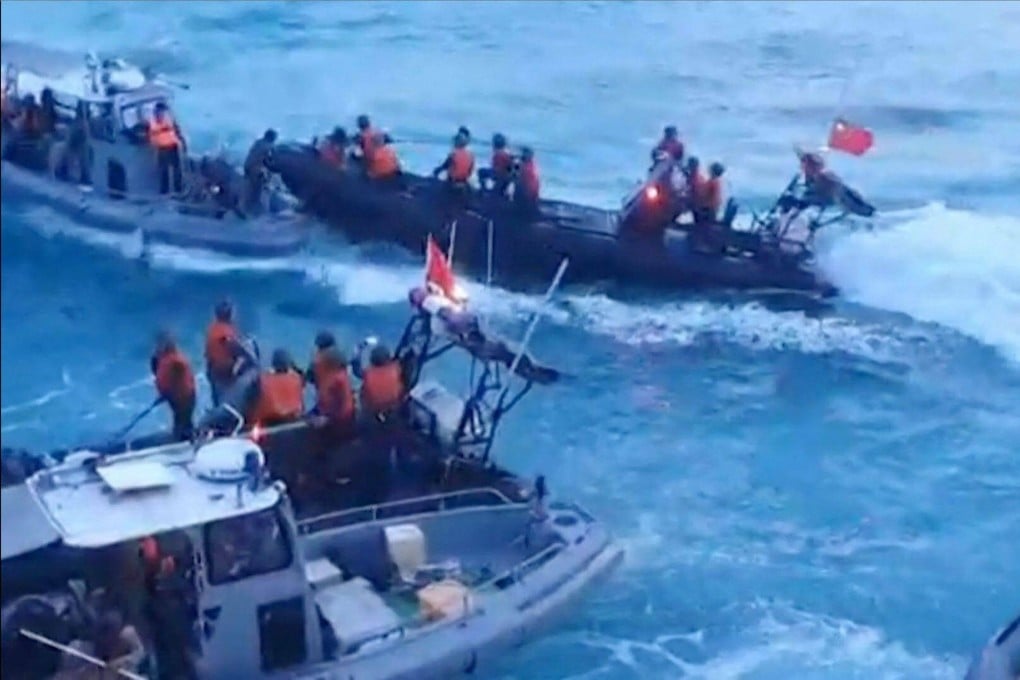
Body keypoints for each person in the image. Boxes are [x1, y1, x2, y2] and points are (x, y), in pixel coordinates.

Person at [150, 332, 197, 441]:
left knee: (184, 420)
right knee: (179, 418)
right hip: (173, 397)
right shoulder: (161, 357)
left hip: (184, 396)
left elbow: (182, 365)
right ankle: (181, 437)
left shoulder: (176, 360)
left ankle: (185, 439)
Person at [249, 348, 305, 427]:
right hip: (293, 421)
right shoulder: (297, 378)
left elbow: (252, 402)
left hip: (268, 423)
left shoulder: (261, 380)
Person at [356, 343, 406, 422]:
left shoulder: (368, 373)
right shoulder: (396, 368)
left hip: (372, 407)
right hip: (392, 403)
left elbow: (357, 371)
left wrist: (359, 351)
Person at [204, 300, 241, 406]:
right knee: (227, 399)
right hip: (224, 371)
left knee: (218, 399)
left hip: (213, 369)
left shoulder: (213, 328)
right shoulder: (225, 332)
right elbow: (236, 348)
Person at [314, 346, 356, 436]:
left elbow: (344, 406)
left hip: (339, 422)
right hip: (335, 418)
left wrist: (328, 419)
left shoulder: (338, 379)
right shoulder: (339, 376)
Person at [148, 102, 183, 195]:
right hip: (162, 148)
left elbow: (177, 130)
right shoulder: (153, 122)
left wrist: (181, 141)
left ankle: (178, 190)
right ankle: (164, 192)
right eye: (160, 111)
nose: (161, 113)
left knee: (177, 170)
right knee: (164, 171)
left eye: (163, 111)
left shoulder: (169, 119)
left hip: (173, 146)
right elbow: (152, 135)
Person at [243, 128, 278, 213]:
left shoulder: (258, 142)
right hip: (255, 169)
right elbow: (271, 161)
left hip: (247, 166)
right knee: (260, 185)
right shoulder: (269, 146)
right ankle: (255, 205)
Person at [514, 146, 541, 211]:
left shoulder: (526, 167)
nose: (521, 155)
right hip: (533, 195)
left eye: (523, 154)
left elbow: (519, 179)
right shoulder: (532, 164)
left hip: (527, 195)